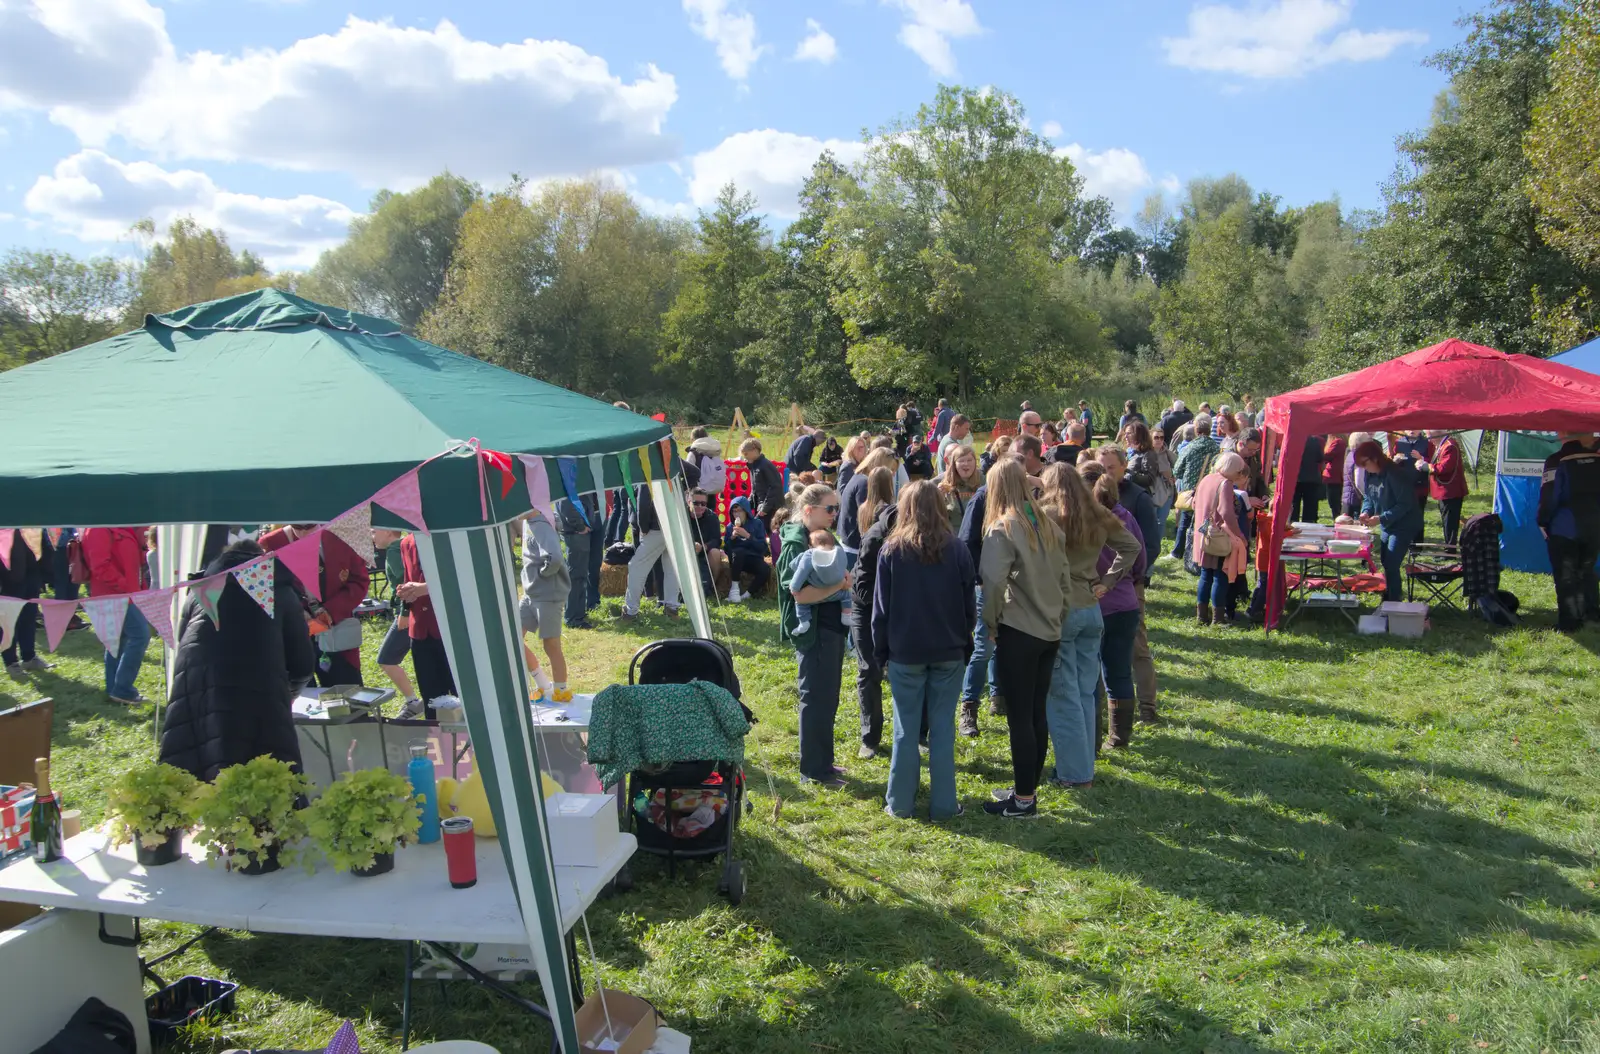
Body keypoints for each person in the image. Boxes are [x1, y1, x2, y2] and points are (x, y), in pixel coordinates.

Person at [159, 540, 316, 781]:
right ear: (263, 559)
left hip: (196, 691)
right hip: (261, 692)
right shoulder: (281, 591)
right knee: (266, 790)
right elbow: (302, 664)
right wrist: (288, 694)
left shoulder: (197, 591)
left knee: (192, 784)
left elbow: (184, 644)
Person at [874, 481, 975, 820]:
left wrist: (881, 652)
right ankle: (944, 805)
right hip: (948, 649)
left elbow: (881, 610)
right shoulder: (957, 548)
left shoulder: (892, 551)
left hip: (906, 652)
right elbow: (967, 606)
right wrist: (965, 640)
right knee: (943, 729)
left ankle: (900, 803)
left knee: (905, 729)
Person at [979, 458, 1070, 819]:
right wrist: (1057, 616)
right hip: (1049, 629)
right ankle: (1025, 788)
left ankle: (1024, 800)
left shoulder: (1002, 528)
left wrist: (990, 623)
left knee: (1019, 717)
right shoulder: (1047, 524)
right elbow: (1065, 579)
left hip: (1019, 631)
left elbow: (992, 583)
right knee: (1035, 713)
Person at [1040, 465, 1139, 788]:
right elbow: (1131, 547)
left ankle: (1074, 773)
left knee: (1064, 695)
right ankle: (1084, 763)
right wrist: (1108, 582)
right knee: (1084, 692)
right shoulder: (1096, 512)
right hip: (1091, 608)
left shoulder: (1049, 513)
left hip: (1062, 609)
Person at [778, 484, 851, 787]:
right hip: (814, 630)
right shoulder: (796, 543)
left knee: (828, 697)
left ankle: (824, 762)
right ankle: (812, 770)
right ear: (809, 510)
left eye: (837, 508)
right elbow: (797, 592)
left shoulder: (821, 537)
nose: (835, 514)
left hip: (831, 627)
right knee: (815, 698)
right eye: (830, 509)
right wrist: (840, 587)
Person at [1081, 466, 1148, 748]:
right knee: (1119, 671)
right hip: (1124, 602)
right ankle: (1119, 736)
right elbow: (1139, 557)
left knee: (1090, 676)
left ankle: (1093, 740)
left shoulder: (1082, 521)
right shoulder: (1125, 517)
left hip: (1091, 603)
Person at [1093, 446, 1160, 722]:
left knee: (1138, 648)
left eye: (1110, 467)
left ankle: (1147, 707)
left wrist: (1132, 578)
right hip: (1096, 591)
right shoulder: (1087, 505)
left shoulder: (1136, 498)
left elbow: (1149, 545)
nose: (1106, 473)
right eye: (1101, 468)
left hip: (1128, 585)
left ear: (1123, 467)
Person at [258, 524, 368, 688]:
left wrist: (331, 610)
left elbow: (359, 581)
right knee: (300, 697)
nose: (303, 533)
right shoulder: (271, 543)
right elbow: (263, 588)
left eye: (309, 527)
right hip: (292, 634)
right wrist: (295, 611)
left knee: (346, 693)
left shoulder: (342, 537)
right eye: (298, 527)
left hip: (335, 631)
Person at [81, 526, 153, 704]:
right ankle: (122, 689)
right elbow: (100, 566)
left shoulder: (125, 527)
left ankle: (115, 688)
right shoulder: (98, 529)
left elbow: (135, 562)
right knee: (140, 635)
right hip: (113, 595)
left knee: (118, 639)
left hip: (127, 594)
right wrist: (125, 586)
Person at [1538, 433, 1600, 632]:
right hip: (1593, 527)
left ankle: (1570, 623)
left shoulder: (1557, 460)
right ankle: (1591, 613)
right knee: (1587, 572)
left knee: (1566, 578)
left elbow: (1550, 497)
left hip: (1564, 528)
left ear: (1563, 434)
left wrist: (1542, 522)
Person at [1354, 439, 1425, 602]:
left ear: (1375, 458)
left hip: (1404, 525)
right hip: (1388, 524)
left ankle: (1393, 601)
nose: (1364, 468)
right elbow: (1369, 497)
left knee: (1392, 563)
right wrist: (1366, 511)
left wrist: (1381, 518)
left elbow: (1405, 504)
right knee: (1386, 562)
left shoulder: (1395, 474)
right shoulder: (1370, 474)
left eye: (1365, 464)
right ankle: (1390, 595)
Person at [1191, 452, 1252, 626]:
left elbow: (1195, 503)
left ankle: (1201, 616)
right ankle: (1218, 618)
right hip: (1218, 536)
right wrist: (1240, 535)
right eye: (1239, 471)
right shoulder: (1224, 483)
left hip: (1203, 534)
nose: (1239, 474)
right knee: (1220, 575)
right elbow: (1226, 513)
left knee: (1205, 575)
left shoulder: (1207, 479)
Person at [520, 508, 572, 703]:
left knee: (551, 645)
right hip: (530, 593)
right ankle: (543, 685)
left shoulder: (541, 524)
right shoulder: (527, 522)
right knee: (512, 639)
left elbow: (555, 557)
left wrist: (542, 575)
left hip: (548, 594)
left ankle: (561, 691)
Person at [371, 529, 420, 713]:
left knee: (386, 659)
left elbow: (405, 581)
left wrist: (404, 613)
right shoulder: (398, 546)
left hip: (407, 612)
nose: (372, 536)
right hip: (411, 611)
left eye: (375, 531)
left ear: (388, 532)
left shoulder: (394, 550)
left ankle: (413, 702)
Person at [620, 481, 682, 619]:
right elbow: (693, 472)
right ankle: (672, 608)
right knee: (671, 568)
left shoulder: (648, 466)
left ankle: (630, 611)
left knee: (636, 566)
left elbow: (643, 502)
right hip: (675, 526)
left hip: (656, 529)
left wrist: (643, 528)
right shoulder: (672, 463)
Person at [2, 530, 51, 678]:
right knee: (8, 622)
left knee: (29, 617)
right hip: (6, 578)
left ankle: (29, 657)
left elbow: (43, 541)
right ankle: (11, 662)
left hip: (31, 573)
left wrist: (45, 573)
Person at [1170, 413, 1220, 560]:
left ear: (1197, 429)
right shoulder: (1216, 448)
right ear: (1210, 429)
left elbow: (1177, 470)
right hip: (1209, 492)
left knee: (1185, 522)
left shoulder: (1191, 447)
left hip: (1191, 492)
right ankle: (1201, 552)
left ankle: (1178, 551)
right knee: (1205, 522)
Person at [839, 448, 899, 562]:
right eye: (891, 469)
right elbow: (871, 519)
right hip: (856, 549)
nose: (893, 474)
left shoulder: (859, 477)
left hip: (853, 545)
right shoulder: (864, 483)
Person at [556, 492, 602, 629]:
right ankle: (573, 617)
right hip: (576, 529)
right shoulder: (568, 471)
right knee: (576, 574)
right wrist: (578, 525)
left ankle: (580, 611)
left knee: (584, 571)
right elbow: (565, 501)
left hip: (589, 521)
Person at [1420, 430, 1468, 545]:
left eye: (1429, 437)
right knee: (1447, 520)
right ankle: (1449, 547)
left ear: (1437, 434)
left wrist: (1426, 467)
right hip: (1445, 490)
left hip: (1450, 491)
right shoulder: (1443, 444)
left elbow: (1444, 468)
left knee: (1449, 522)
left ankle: (1449, 549)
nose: (1429, 440)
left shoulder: (1450, 446)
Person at [1134, 423, 1177, 551]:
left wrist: (1173, 477)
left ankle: (1156, 547)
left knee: (1161, 521)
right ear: (1150, 438)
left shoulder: (1168, 454)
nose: (1159, 440)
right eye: (1156, 437)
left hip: (1166, 492)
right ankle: (1145, 547)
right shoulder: (1146, 454)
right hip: (1150, 492)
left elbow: (1178, 467)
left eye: (1162, 437)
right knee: (1149, 522)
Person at [723, 497, 770, 602]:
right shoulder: (730, 527)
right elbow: (726, 550)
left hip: (753, 558)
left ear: (746, 511)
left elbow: (763, 547)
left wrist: (748, 536)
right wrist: (732, 538)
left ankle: (747, 594)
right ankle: (734, 590)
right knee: (739, 552)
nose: (737, 514)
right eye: (734, 511)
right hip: (737, 561)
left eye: (739, 510)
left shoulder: (757, 524)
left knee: (765, 569)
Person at [938, 445, 983, 532]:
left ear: (975, 462)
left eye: (969, 460)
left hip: (978, 534)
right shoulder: (942, 482)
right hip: (953, 534)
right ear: (954, 464)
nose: (966, 464)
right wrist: (938, 498)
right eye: (961, 461)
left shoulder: (984, 480)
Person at [740, 438, 785, 525]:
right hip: (762, 505)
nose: (745, 456)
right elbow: (755, 489)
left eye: (746, 453)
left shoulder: (765, 465)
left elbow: (775, 487)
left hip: (771, 507)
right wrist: (749, 503)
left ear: (754, 450)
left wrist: (765, 508)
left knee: (770, 531)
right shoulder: (754, 466)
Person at [1341, 432, 1374, 517]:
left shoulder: (1350, 454)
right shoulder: (1359, 456)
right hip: (1357, 499)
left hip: (1348, 496)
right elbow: (1359, 481)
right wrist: (1367, 496)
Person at [1294, 434, 1325, 523]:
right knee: (1310, 508)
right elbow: (1320, 458)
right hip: (1312, 477)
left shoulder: (1293, 439)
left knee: (1294, 506)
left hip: (1296, 477)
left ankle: (1293, 523)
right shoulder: (1314, 441)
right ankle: (1309, 524)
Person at [1322, 434, 1348, 523]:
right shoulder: (1343, 442)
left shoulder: (1337, 442)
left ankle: (1338, 521)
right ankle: (1339, 520)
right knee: (1335, 502)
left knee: (1334, 502)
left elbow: (1326, 456)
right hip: (1337, 476)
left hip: (1333, 477)